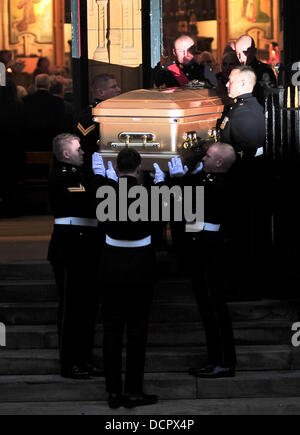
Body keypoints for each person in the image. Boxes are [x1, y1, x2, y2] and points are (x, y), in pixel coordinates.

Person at [154, 144, 237, 377]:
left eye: (209, 156)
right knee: (208, 308)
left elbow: (180, 205)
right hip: (203, 250)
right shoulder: (208, 181)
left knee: (213, 307)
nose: (204, 158)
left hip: (207, 252)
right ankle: (217, 359)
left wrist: (168, 183)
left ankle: (223, 361)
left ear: (219, 163)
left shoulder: (214, 185)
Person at [92, 149, 158, 409]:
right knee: (137, 332)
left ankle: (113, 392)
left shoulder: (103, 191)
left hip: (111, 265)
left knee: (112, 331)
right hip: (141, 265)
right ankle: (132, 391)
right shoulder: (151, 195)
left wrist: (101, 180)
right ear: (139, 168)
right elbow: (176, 218)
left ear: (117, 169)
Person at [48, 133, 103, 379]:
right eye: (79, 149)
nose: (83, 152)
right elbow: (87, 201)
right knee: (71, 308)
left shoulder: (80, 174)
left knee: (87, 308)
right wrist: (101, 179)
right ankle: (70, 362)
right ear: (66, 154)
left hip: (86, 246)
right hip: (70, 248)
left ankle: (84, 358)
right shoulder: (63, 175)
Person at [220, 65, 271, 299]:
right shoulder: (239, 107)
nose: (227, 84)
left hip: (244, 185)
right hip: (239, 183)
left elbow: (247, 152)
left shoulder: (246, 113)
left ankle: (247, 287)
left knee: (245, 237)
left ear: (242, 84)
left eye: (230, 81)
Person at [75, 73, 121, 176]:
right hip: (96, 168)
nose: (119, 89)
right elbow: (88, 145)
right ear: (100, 92)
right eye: (113, 87)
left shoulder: (112, 111)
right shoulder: (91, 114)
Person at [22, 74, 65, 151]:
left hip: (31, 142)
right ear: (49, 85)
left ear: (35, 85)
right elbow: (61, 123)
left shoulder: (26, 100)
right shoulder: (57, 102)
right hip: (51, 142)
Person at [235, 35, 276, 106]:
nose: (240, 57)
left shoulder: (264, 70)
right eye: (237, 53)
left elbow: (270, 97)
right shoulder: (236, 71)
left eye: (245, 52)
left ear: (254, 51)